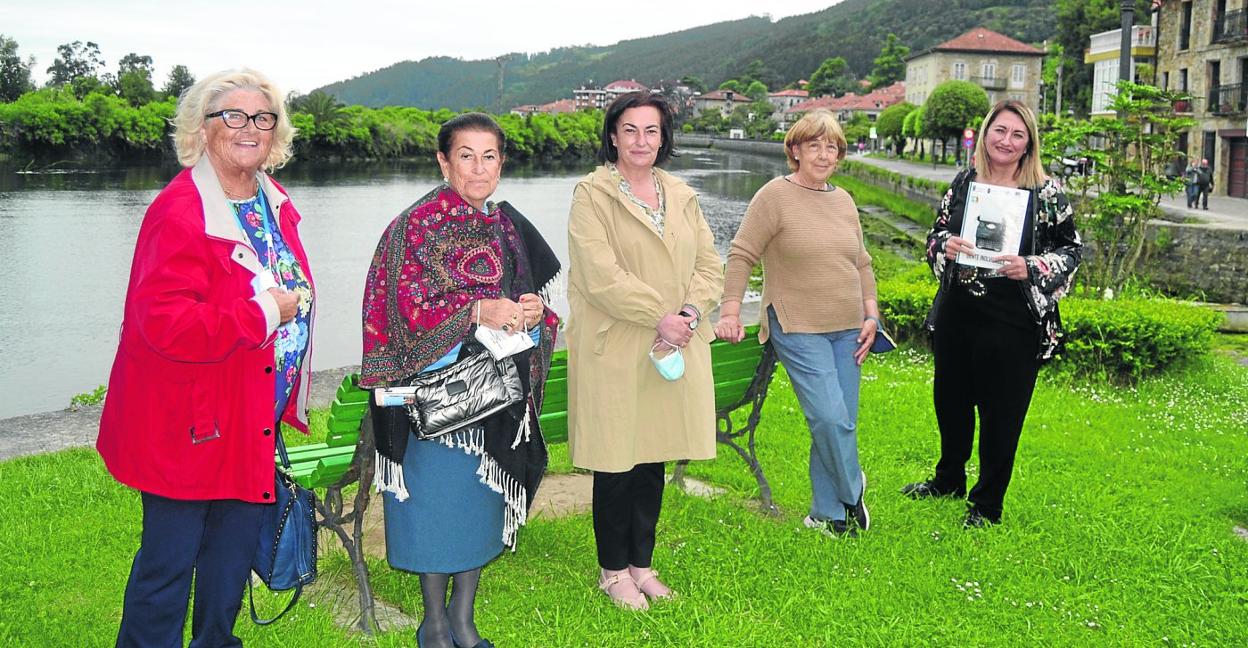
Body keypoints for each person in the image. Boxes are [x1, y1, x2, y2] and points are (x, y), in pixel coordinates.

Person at [96, 68, 312, 647]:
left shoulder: (273, 202)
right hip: (185, 421)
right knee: (169, 564)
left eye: (263, 118)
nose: (251, 128)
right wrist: (263, 314)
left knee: (229, 559)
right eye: (234, 116)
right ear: (202, 128)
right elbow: (164, 324)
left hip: (250, 415)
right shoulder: (179, 212)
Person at [359, 112, 560, 648]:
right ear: (443, 161)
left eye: (489, 156)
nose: (477, 167)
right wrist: (475, 311)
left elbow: (518, 298)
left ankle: (464, 619)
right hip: (437, 398)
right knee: (434, 505)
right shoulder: (416, 225)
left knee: (479, 502)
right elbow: (405, 310)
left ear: (502, 163)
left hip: (493, 395)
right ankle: (434, 622)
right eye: (465, 155)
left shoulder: (503, 225)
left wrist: (531, 309)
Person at [566, 91, 723, 610]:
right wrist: (659, 314)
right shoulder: (592, 195)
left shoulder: (681, 193)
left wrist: (690, 315)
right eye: (629, 130)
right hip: (617, 345)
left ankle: (642, 564)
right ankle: (613, 571)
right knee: (617, 461)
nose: (641, 141)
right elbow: (597, 274)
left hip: (670, 344)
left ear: (664, 137)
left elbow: (709, 265)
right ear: (613, 135)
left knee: (652, 455)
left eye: (651, 130)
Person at [902, 100, 1081, 527]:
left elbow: (1071, 251)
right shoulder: (965, 182)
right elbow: (937, 231)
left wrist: (1032, 266)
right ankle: (948, 478)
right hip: (958, 314)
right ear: (986, 134)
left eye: (1017, 135)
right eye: (1000, 131)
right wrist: (944, 245)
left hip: (1014, 320)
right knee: (951, 403)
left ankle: (987, 504)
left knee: (1002, 414)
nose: (1006, 140)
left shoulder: (1047, 193)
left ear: (1028, 145)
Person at [715, 109, 880, 538]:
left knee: (842, 419)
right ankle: (853, 488)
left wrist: (871, 313)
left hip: (849, 326)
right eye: (815, 145)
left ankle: (828, 514)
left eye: (833, 147)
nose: (825, 155)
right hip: (795, 322)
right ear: (795, 150)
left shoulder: (843, 200)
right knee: (829, 418)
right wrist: (730, 309)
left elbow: (861, 262)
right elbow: (742, 254)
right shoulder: (774, 196)